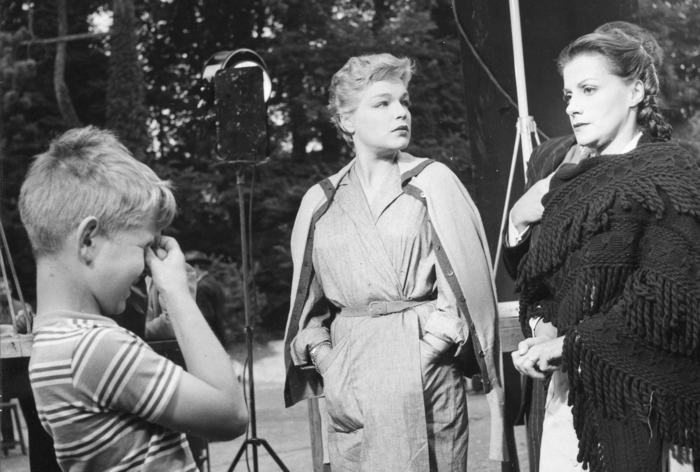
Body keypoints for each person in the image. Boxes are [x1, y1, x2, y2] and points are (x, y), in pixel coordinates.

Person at [283, 53, 506, 471]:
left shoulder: (433, 182)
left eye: (404, 102)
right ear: (347, 121)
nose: (401, 112)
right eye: (382, 103)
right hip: (350, 377)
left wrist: (426, 354)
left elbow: (465, 293)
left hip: (424, 374)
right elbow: (308, 308)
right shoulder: (321, 202)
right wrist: (328, 359)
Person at [510, 27, 699, 471]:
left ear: (635, 90)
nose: (573, 106)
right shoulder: (568, 182)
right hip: (572, 402)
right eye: (568, 94)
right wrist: (541, 331)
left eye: (589, 89)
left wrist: (566, 344)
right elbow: (541, 283)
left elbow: (664, 294)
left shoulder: (673, 172)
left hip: (647, 403)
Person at [19, 126, 249, 471]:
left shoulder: (59, 343)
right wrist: (178, 297)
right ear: (87, 241)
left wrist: (154, 340)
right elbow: (231, 415)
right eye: (143, 248)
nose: (147, 268)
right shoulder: (96, 348)